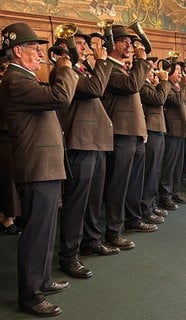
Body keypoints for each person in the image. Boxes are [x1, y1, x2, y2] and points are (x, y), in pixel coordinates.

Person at [0, 22, 78, 317]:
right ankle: (30, 296)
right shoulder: (16, 81)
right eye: (34, 49)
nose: (40, 54)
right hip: (37, 166)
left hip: (44, 165)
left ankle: (42, 280)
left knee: (46, 229)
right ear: (18, 51)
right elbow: (61, 98)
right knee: (36, 232)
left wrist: (60, 68)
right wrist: (65, 66)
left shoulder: (25, 78)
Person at [51, 29, 120, 280]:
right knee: (76, 202)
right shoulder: (64, 71)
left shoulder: (83, 68)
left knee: (93, 198)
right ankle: (68, 256)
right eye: (78, 43)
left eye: (83, 44)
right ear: (63, 47)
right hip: (80, 142)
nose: (83, 47)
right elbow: (95, 89)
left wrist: (95, 64)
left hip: (96, 141)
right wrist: (102, 60)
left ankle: (91, 240)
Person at [102, 25, 157, 251]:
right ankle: (114, 231)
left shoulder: (126, 69)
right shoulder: (110, 69)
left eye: (130, 41)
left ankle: (133, 218)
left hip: (134, 132)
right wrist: (142, 63)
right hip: (120, 134)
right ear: (112, 44)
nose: (129, 45)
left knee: (134, 181)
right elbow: (132, 86)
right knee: (119, 183)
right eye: (123, 41)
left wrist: (142, 131)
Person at [140, 56, 171, 223]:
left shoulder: (149, 85)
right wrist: (164, 82)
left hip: (158, 129)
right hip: (151, 130)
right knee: (150, 170)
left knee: (156, 169)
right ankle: (145, 208)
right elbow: (159, 99)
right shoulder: (143, 86)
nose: (154, 73)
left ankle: (151, 204)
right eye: (151, 70)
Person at [158, 62, 186, 210]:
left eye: (180, 70)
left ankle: (175, 192)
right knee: (169, 165)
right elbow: (178, 101)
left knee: (178, 165)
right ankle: (165, 196)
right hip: (171, 131)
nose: (180, 73)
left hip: (181, 130)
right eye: (177, 71)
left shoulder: (178, 87)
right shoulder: (166, 87)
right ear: (169, 72)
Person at [0, 56, 21, 235]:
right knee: (7, 181)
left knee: (12, 179)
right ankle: (7, 219)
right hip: (4, 135)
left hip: (12, 135)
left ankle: (12, 216)